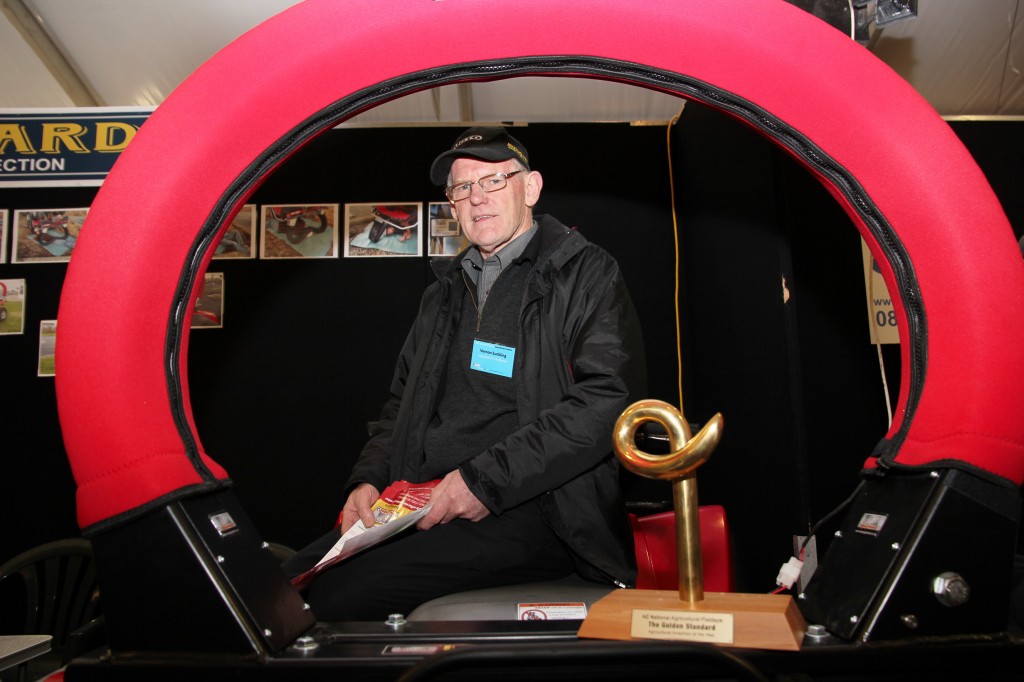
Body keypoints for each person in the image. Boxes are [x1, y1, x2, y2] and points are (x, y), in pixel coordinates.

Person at [284, 127, 647, 621]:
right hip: (424, 502)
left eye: (493, 181)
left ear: (531, 188)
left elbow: (607, 401)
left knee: (337, 598)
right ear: (452, 207)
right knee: (282, 587)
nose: (477, 199)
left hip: (538, 510)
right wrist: (367, 480)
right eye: (461, 188)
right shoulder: (443, 294)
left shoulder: (584, 273)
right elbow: (399, 408)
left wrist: (482, 481)